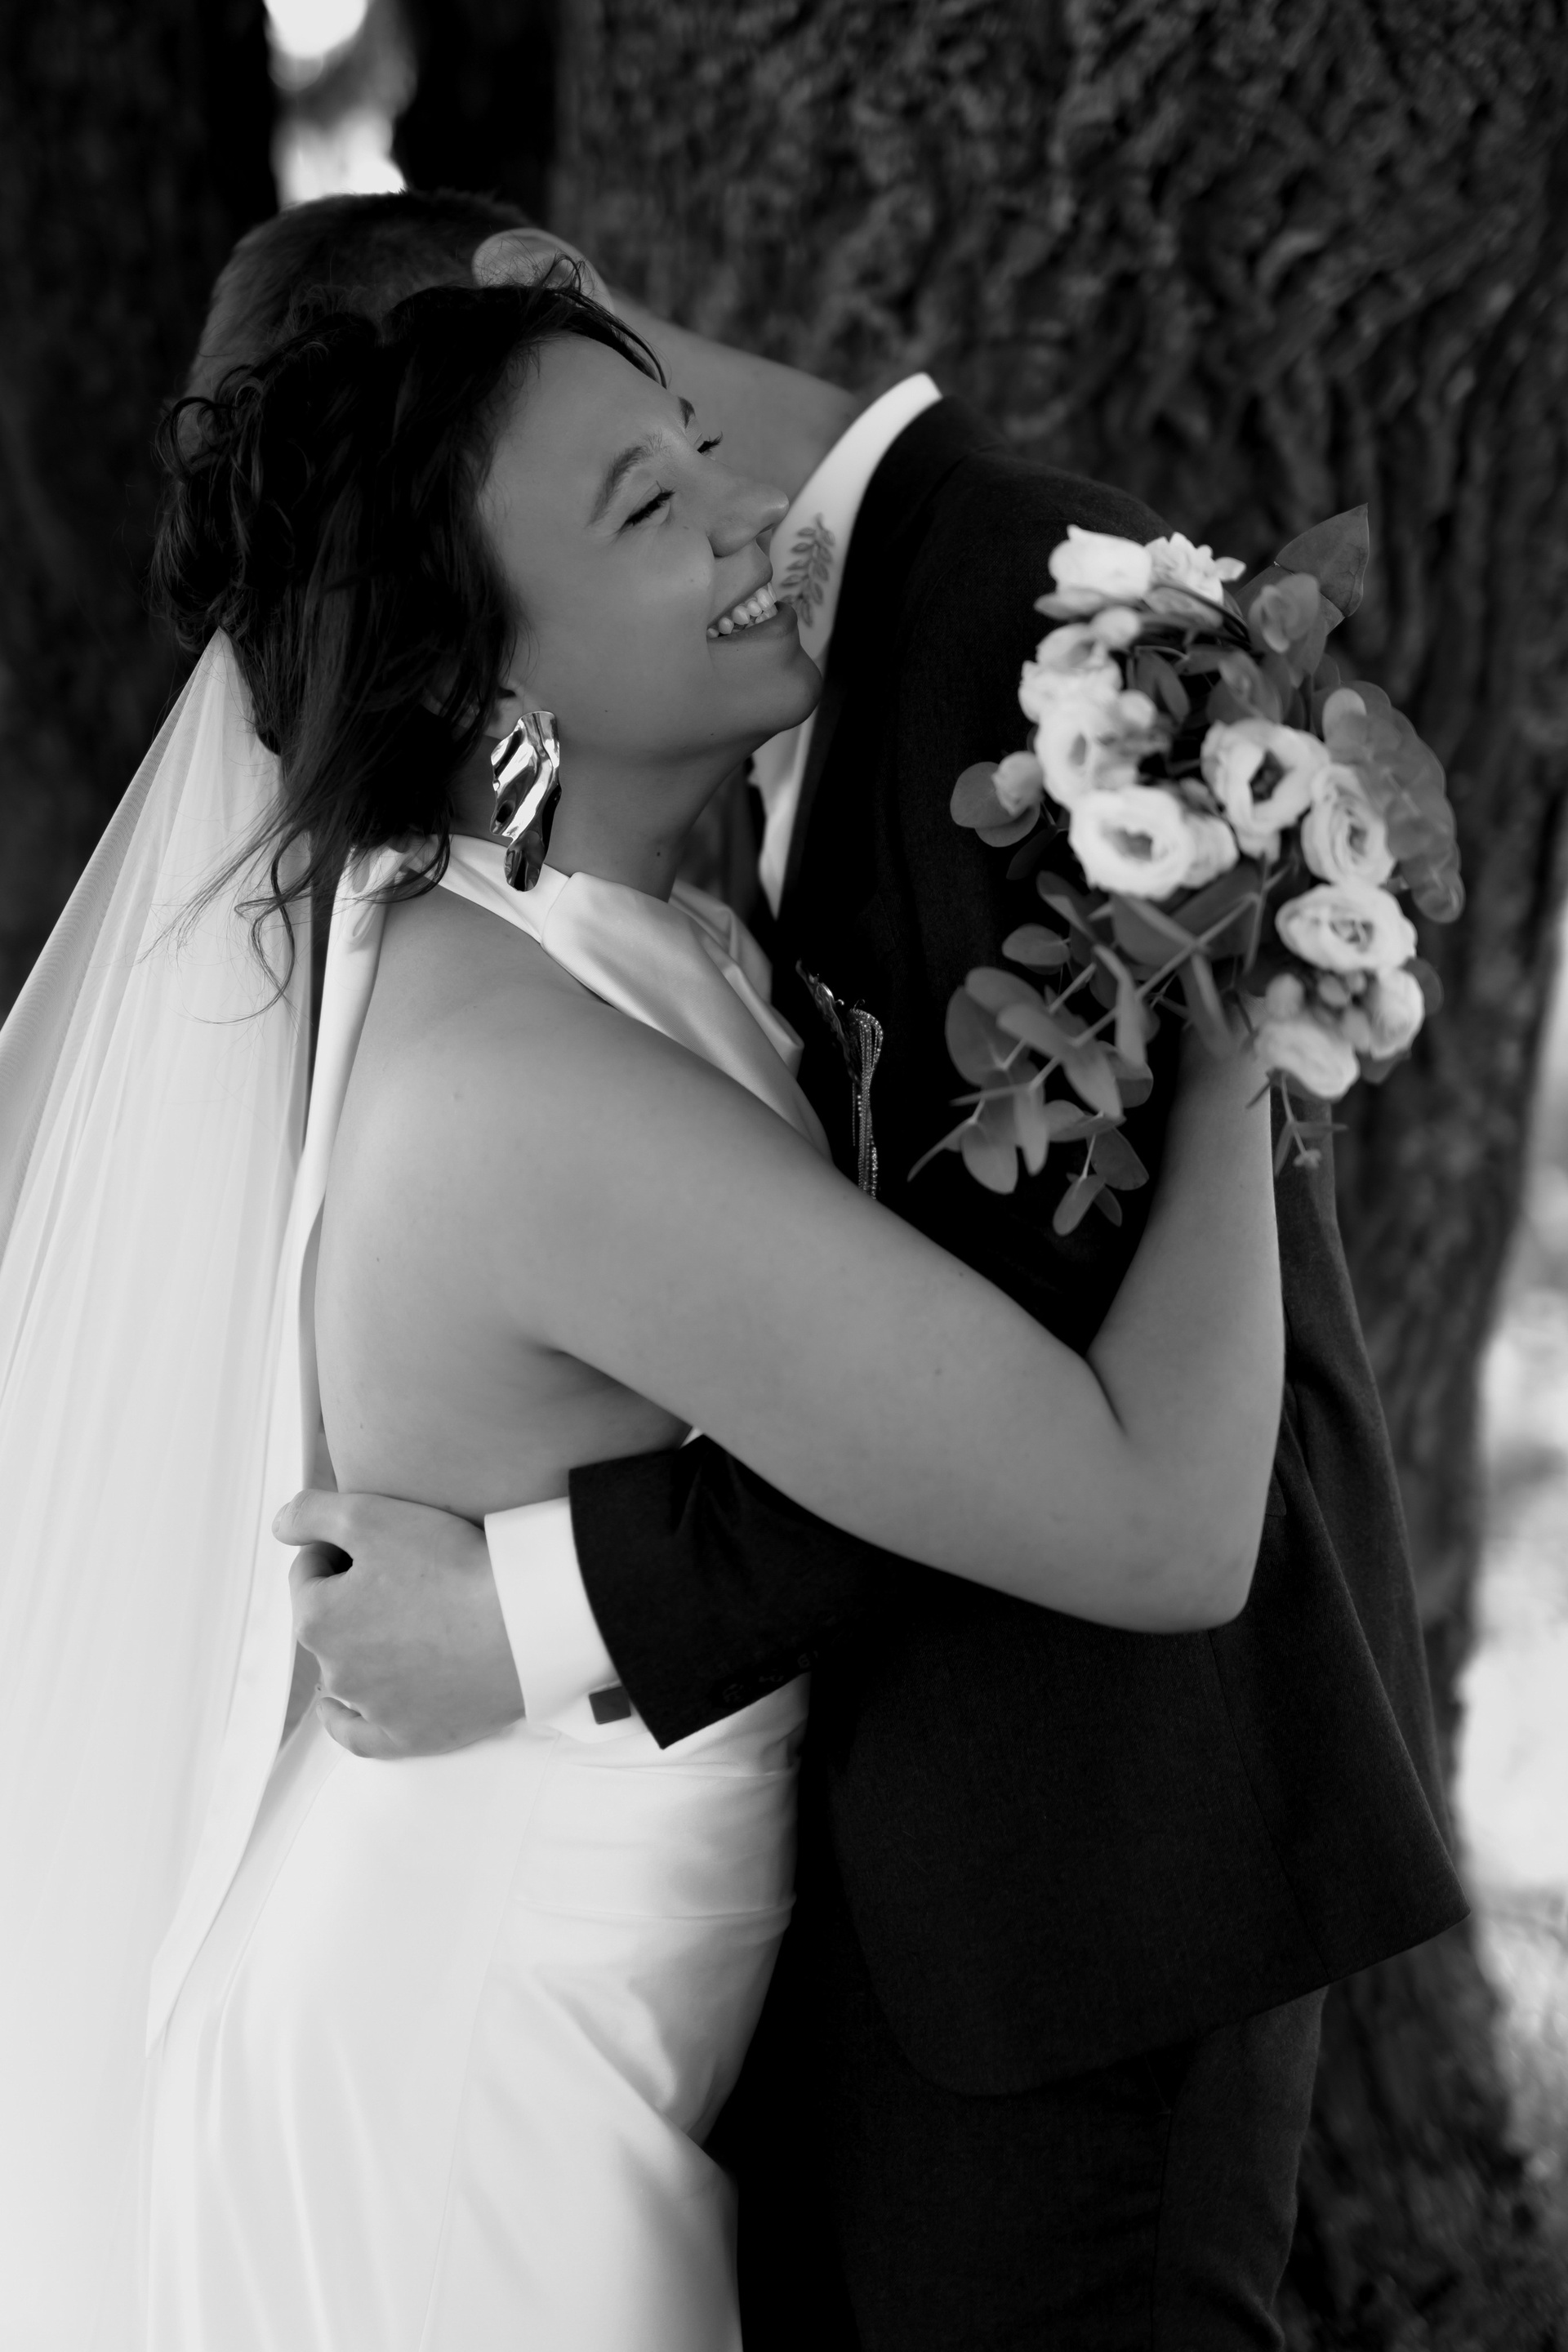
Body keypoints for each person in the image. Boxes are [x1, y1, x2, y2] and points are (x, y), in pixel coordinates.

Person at [211, 196, 1467, 2347]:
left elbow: (1023, 1392)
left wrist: (1245, 973)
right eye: (640, 494)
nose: (739, 515)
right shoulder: (542, 1024)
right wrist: (1235, 1005)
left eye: (690, 448)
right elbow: (966, 1389)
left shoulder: (995, 653)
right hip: (519, 2051)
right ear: (462, 647)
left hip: (1059, 1917)